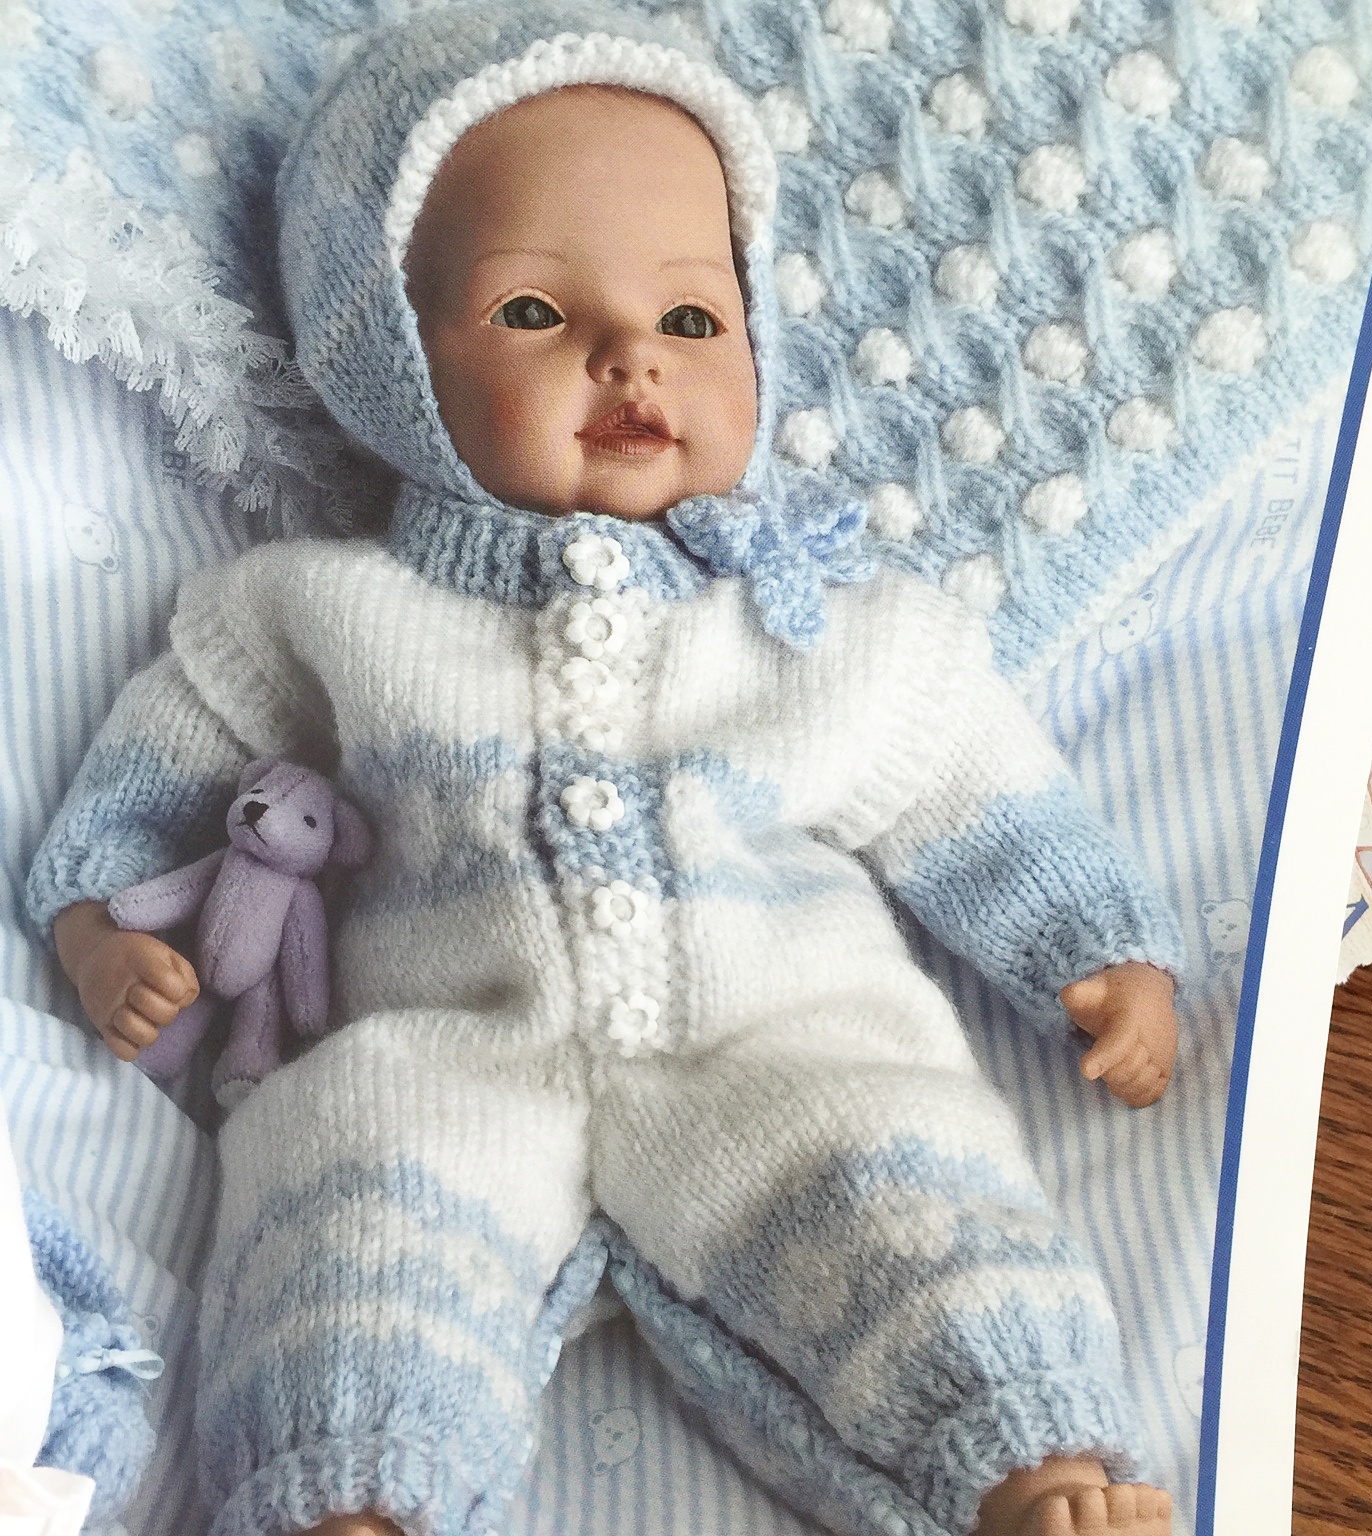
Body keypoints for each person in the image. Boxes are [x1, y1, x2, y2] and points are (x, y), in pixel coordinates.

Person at [31, 7, 1183, 1533]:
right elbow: (162, 763)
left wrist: (1094, 949)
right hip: (447, 1053)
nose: (630, 355)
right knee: (344, 1205)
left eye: (692, 318)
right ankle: (351, 1496)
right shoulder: (320, 610)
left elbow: (971, 785)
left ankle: (1034, 1466)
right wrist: (99, 924)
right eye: (532, 311)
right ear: (390, 357)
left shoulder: (813, 627)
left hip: (782, 1038)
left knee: (913, 1187)